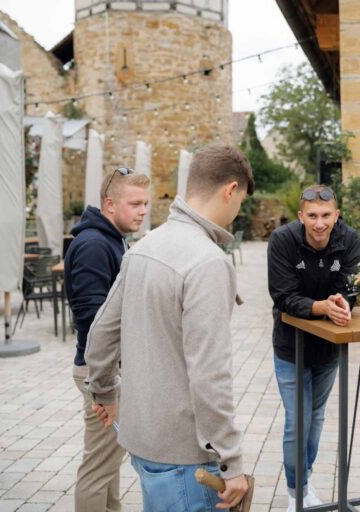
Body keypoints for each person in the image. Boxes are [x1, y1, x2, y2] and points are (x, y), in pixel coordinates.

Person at [84, 144, 253, 511]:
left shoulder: (146, 245)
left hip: (143, 442)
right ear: (230, 190)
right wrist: (232, 460)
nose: (238, 211)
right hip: (185, 457)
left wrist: (103, 391)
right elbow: (210, 373)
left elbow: (100, 334)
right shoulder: (208, 262)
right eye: (240, 201)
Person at [267, 184, 360, 511]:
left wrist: (343, 301)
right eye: (312, 216)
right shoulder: (282, 241)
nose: (319, 223)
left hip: (328, 347)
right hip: (290, 346)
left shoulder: (349, 240)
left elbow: (350, 288)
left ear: (336, 215)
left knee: (316, 417)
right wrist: (321, 307)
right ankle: (297, 491)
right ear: (300, 216)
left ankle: (303, 480)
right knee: (299, 419)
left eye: (326, 215)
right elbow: (283, 297)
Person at [65, 167, 149, 512]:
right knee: (98, 468)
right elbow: (92, 319)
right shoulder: (93, 245)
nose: (143, 211)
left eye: (145, 203)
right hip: (101, 370)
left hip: (107, 369)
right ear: (110, 204)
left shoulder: (111, 237)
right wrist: (105, 387)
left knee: (108, 464)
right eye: (135, 204)